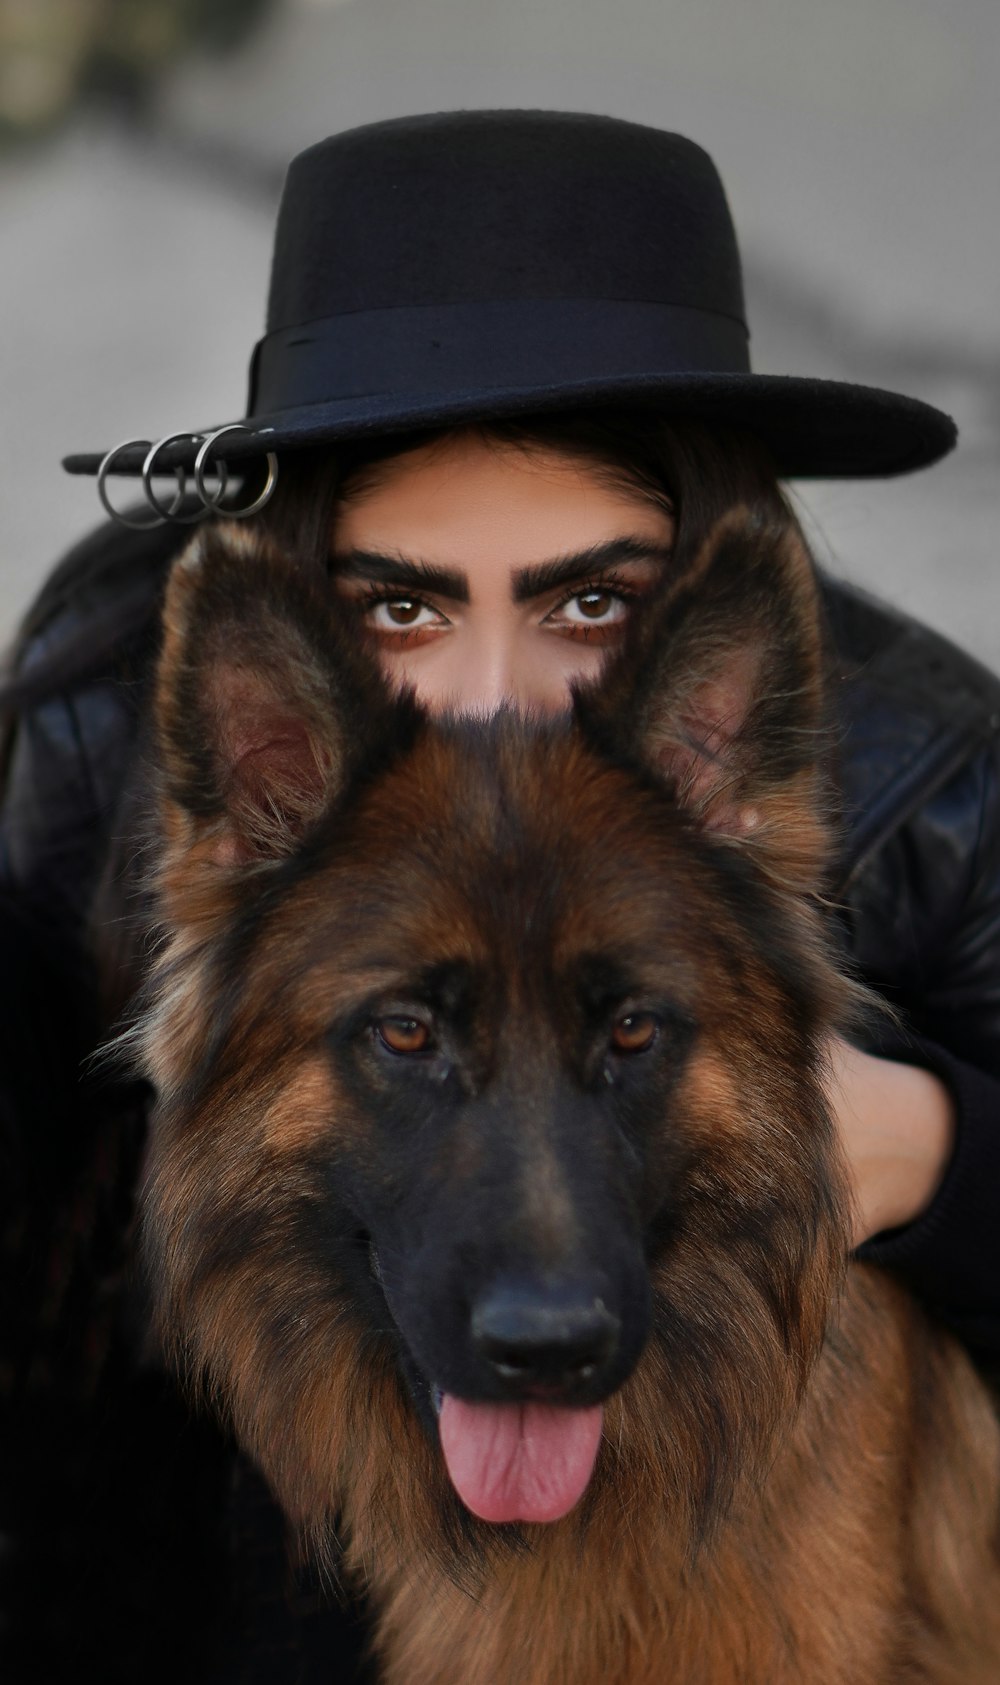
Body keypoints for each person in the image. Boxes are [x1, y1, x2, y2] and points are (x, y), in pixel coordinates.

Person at [1, 109, 997, 1682]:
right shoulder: (102, 708)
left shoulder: (931, 774)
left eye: (592, 600)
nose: (494, 696)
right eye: (399, 602)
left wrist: (939, 1148)